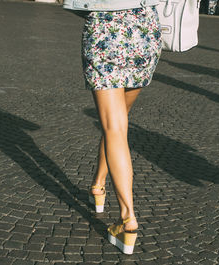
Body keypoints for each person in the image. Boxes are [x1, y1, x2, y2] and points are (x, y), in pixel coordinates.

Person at [81, 6, 162, 254]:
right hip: (145, 29)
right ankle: (98, 183)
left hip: (106, 27)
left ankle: (128, 219)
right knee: (118, 121)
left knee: (114, 126)